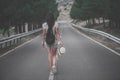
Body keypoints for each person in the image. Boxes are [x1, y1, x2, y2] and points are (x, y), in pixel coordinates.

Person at [41, 12, 64, 78]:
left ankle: (51, 69)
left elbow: (43, 34)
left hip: (47, 42)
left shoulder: (44, 25)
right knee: (54, 55)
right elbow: (57, 34)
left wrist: (42, 42)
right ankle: (54, 65)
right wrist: (60, 42)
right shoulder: (56, 24)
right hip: (54, 41)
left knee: (49, 54)